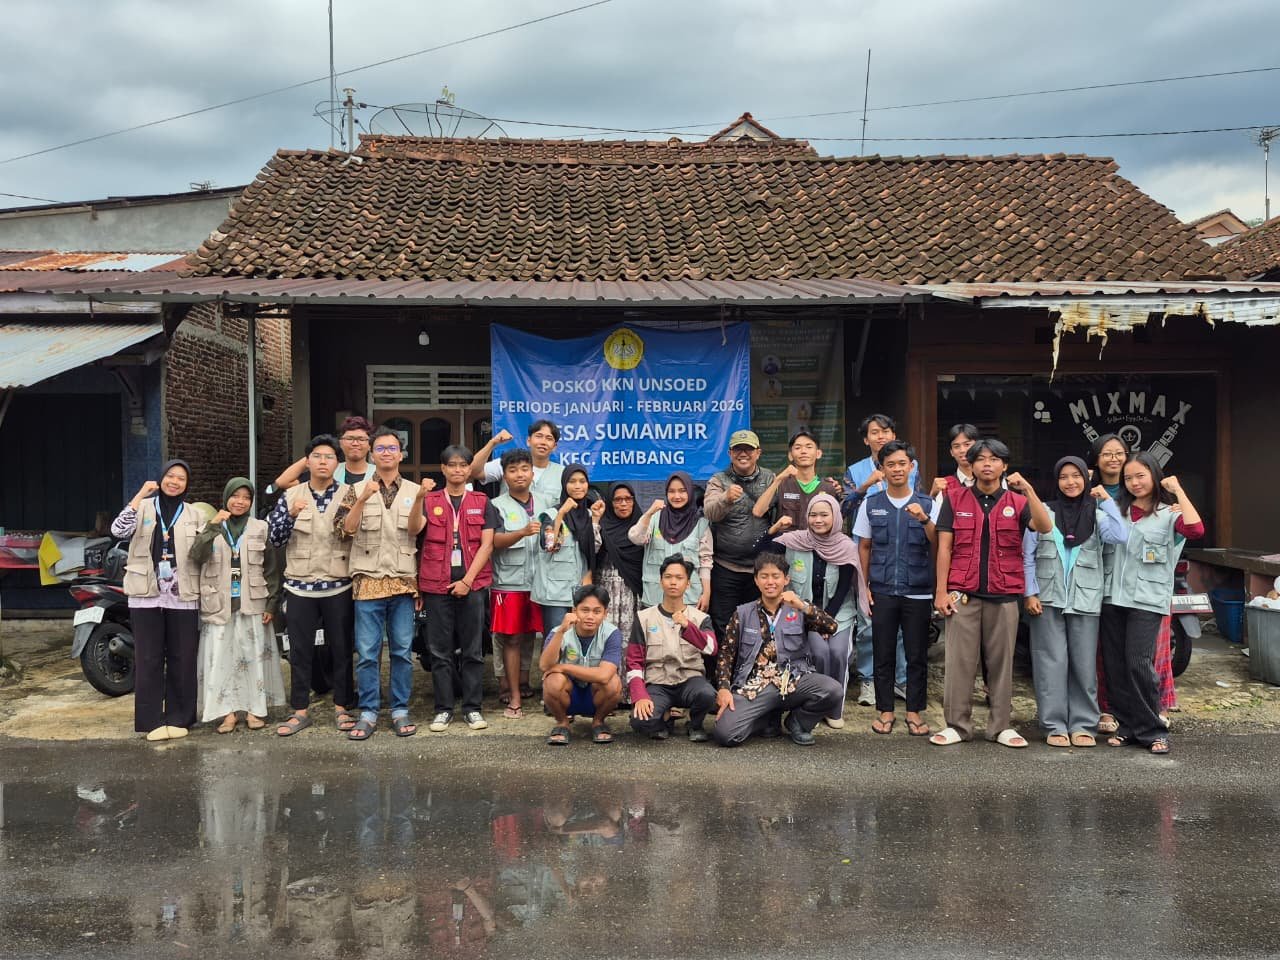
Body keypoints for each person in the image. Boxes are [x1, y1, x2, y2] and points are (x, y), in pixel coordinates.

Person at [930, 438, 1052, 748]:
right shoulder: (954, 499)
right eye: (980, 459)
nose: (987, 464)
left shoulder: (1019, 502)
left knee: (1001, 663)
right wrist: (941, 592)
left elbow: (1045, 526)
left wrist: (1029, 490)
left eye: (994, 458)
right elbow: (944, 548)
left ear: (1005, 465)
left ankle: (1000, 726)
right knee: (959, 663)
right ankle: (958, 725)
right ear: (970, 466)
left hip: (1004, 595)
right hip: (963, 593)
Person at [1101, 452, 1203, 755]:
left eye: (1140, 476)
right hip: (1111, 597)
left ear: (1155, 476)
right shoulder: (1115, 512)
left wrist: (1179, 490)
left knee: (1138, 662)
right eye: (1128, 478)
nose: (1134, 483)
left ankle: (1154, 729)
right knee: (1116, 665)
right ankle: (1128, 727)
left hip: (1147, 599)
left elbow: (1196, 530)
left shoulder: (1169, 513)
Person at [1022, 457, 1129, 748]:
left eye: (1077, 476)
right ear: (1055, 481)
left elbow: (1121, 535)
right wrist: (1030, 592)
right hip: (1047, 598)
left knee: (1083, 665)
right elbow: (1027, 556)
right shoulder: (1044, 511)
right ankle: (1054, 724)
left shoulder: (1097, 514)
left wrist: (1106, 500)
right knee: (1049, 663)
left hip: (1086, 598)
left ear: (1086, 479)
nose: (1071, 482)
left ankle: (1083, 724)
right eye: (1064, 477)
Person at [335, 426, 428, 741]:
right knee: (368, 652)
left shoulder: (416, 490)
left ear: (401, 454)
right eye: (381, 449)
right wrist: (362, 499)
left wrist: (420, 500)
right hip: (368, 582)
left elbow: (416, 531)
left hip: (402, 582)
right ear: (372, 455)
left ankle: (400, 709)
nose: (386, 453)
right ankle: (369, 711)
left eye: (392, 448)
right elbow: (344, 531)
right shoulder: (357, 488)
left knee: (402, 651)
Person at [267, 434, 358, 735]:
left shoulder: (349, 494)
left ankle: (343, 707)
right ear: (307, 462)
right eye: (317, 456)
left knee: (342, 649)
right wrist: (291, 517)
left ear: (337, 462)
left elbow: (353, 535)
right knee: (300, 650)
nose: (323, 461)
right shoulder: (290, 496)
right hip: (299, 586)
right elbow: (275, 539)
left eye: (329, 457)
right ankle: (300, 710)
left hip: (338, 584)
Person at [110, 459, 202, 741]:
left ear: (187, 485)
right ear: (161, 479)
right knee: (148, 658)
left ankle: (180, 717)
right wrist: (139, 495)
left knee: (183, 657)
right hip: (145, 591)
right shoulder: (144, 508)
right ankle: (151, 721)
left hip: (182, 591)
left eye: (181, 479)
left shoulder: (195, 513)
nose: (175, 482)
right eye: (170, 476)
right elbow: (118, 530)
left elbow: (206, 551)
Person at [712, 553, 844, 747]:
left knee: (833, 691)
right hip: (756, 685)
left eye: (776, 576)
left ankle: (798, 722)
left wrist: (802, 606)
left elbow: (831, 627)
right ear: (756, 580)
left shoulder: (798, 609)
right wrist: (723, 688)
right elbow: (726, 654)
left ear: (786, 579)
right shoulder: (742, 613)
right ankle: (766, 717)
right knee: (725, 734)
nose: (770, 582)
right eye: (764, 576)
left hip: (795, 679)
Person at [855, 441, 939, 737]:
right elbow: (864, 546)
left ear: (912, 466)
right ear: (882, 469)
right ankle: (885, 711)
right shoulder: (872, 504)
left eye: (902, 463)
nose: (897, 469)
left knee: (917, 654)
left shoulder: (929, 504)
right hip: (882, 590)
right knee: (883, 652)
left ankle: (914, 712)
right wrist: (864, 587)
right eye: (890, 464)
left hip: (918, 591)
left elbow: (940, 545)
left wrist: (924, 519)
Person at [190, 477, 286, 733]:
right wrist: (212, 526)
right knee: (221, 659)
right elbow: (196, 556)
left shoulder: (259, 528)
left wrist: (271, 605)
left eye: (246, 497)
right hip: (219, 605)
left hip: (252, 603)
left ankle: (255, 710)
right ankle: (227, 713)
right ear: (226, 498)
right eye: (235, 496)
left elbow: (272, 570)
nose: (240, 502)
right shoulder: (211, 525)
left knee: (252, 658)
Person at [421, 445, 499, 733]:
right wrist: (419, 495)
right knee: (439, 651)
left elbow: (487, 544)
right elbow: (415, 534)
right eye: (451, 465)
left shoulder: (482, 501)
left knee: (472, 649)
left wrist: (467, 580)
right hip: (435, 583)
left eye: (462, 465)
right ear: (442, 469)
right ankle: (443, 709)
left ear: (469, 470)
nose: (457, 470)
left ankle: (472, 708)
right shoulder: (428, 501)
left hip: (473, 584)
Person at [771, 493, 866, 728]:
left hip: (838, 613)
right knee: (819, 652)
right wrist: (774, 528)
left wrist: (826, 620)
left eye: (824, 515)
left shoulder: (845, 546)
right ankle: (819, 703)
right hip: (805, 613)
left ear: (835, 517)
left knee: (838, 651)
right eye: (813, 514)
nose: (818, 520)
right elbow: (760, 548)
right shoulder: (795, 540)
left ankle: (834, 709)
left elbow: (844, 587)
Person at [626, 557, 719, 741]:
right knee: (640, 722)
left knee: (708, 695)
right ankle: (664, 718)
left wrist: (687, 626)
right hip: (658, 682)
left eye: (679, 577)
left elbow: (711, 649)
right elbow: (634, 663)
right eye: (668, 577)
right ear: (661, 581)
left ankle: (695, 724)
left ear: (688, 583)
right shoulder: (644, 617)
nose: (673, 582)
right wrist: (640, 695)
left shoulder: (700, 618)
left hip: (690, 680)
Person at [489, 448, 550, 719]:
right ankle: (514, 696)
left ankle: (542, 690)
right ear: (505, 475)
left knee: (541, 637)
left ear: (532, 472)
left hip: (544, 581)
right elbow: (493, 542)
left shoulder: (547, 501)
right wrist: (522, 533)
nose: (519, 475)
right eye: (512, 470)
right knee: (511, 638)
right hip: (509, 582)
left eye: (524, 469)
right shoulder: (497, 505)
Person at [703, 429, 776, 639]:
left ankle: (754, 671)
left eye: (748, 449)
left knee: (758, 624)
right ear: (730, 453)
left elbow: (791, 500)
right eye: (738, 449)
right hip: (726, 567)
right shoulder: (719, 480)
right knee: (724, 624)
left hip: (760, 569)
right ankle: (726, 670)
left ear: (758, 452)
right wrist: (725, 498)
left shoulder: (770, 478)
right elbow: (710, 513)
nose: (743, 454)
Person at [540, 585, 624, 746]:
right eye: (585, 610)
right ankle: (562, 723)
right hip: (569, 694)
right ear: (574, 610)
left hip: (595, 694)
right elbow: (545, 665)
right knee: (552, 681)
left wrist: (564, 667)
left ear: (605, 614)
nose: (590, 616)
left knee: (613, 683)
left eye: (597, 611)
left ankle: (599, 722)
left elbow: (604, 675)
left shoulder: (611, 633)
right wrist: (561, 632)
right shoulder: (559, 631)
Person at [628, 471, 712, 609]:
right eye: (671, 491)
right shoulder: (655, 517)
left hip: (689, 600)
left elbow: (706, 562)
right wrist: (649, 513)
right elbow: (636, 538)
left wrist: (707, 593)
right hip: (655, 599)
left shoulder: (701, 524)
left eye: (682, 491)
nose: (677, 496)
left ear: (690, 493)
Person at [531, 463, 600, 630]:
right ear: (564, 485)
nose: (578, 486)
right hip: (554, 593)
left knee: (576, 645)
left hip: (581, 591)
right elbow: (549, 545)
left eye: (582, 481)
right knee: (555, 640)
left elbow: (595, 550)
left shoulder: (590, 514)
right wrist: (561, 513)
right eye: (572, 481)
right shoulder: (551, 514)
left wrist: (596, 520)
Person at [594, 481, 645, 693]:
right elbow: (592, 548)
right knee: (606, 639)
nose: (623, 504)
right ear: (610, 502)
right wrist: (596, 520)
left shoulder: (642, 526)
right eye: (618, 499)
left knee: (629, 641)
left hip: (632, 592)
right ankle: (607, 691)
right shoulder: (603, 524)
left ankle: (628, 691)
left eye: (628, 499)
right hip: (605, 591)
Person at [751, 429, 843, 531]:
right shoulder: (782, 484)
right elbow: (757, 512)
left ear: (818, 453)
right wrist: (778, 479)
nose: (803, 451)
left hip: (819, 546)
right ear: (790, 455)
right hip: (787, 545)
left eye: (809, 447)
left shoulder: (829, 487)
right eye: (798, 447)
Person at [842, 414, 920, 520]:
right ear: (866, 440)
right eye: (875, 432)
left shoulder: (912, 466)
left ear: (893, 437)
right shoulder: (854, 471)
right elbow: (843, 511)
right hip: (867, 534)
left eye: (885, 431)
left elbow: (919, 502)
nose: (881, 436)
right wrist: (865, 486)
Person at [470, 420, 565, 501]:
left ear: (554, 446)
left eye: (549, 438)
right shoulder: (507, 463)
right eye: (538, 436)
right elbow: (473, 471)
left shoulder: (563, 473)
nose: (543, 442)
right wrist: (492, 443)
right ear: (528, 441)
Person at [273, 415, 376, 489]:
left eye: (361, 439)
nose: (355, 443)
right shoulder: (329, 469)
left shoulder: (379, 473)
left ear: (369, 445)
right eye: (350, 439)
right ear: (341, 443)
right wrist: (314, 455)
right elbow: (282, 482)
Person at [930, 423, 981, 499]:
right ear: (951, 452)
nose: (962, 450)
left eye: (967, 444)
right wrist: (933, 496)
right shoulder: (944, 486)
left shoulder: (996, 480)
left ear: (978, 447)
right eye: (956, 446)